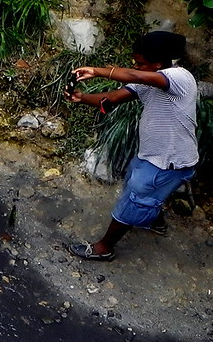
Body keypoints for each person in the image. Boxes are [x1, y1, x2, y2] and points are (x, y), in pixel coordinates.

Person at [65, 31, 198, 261]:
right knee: (139, 190)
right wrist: (82, 97)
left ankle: (104, 248)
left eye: (140, 63)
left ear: (158, 64)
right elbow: (113, 98)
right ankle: (154, 220)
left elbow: (139, 77)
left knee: (134, 200)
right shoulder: (148, 80)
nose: (136, 67)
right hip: (152, 156)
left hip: (168, 162)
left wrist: (97, 71)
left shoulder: (179, 77)